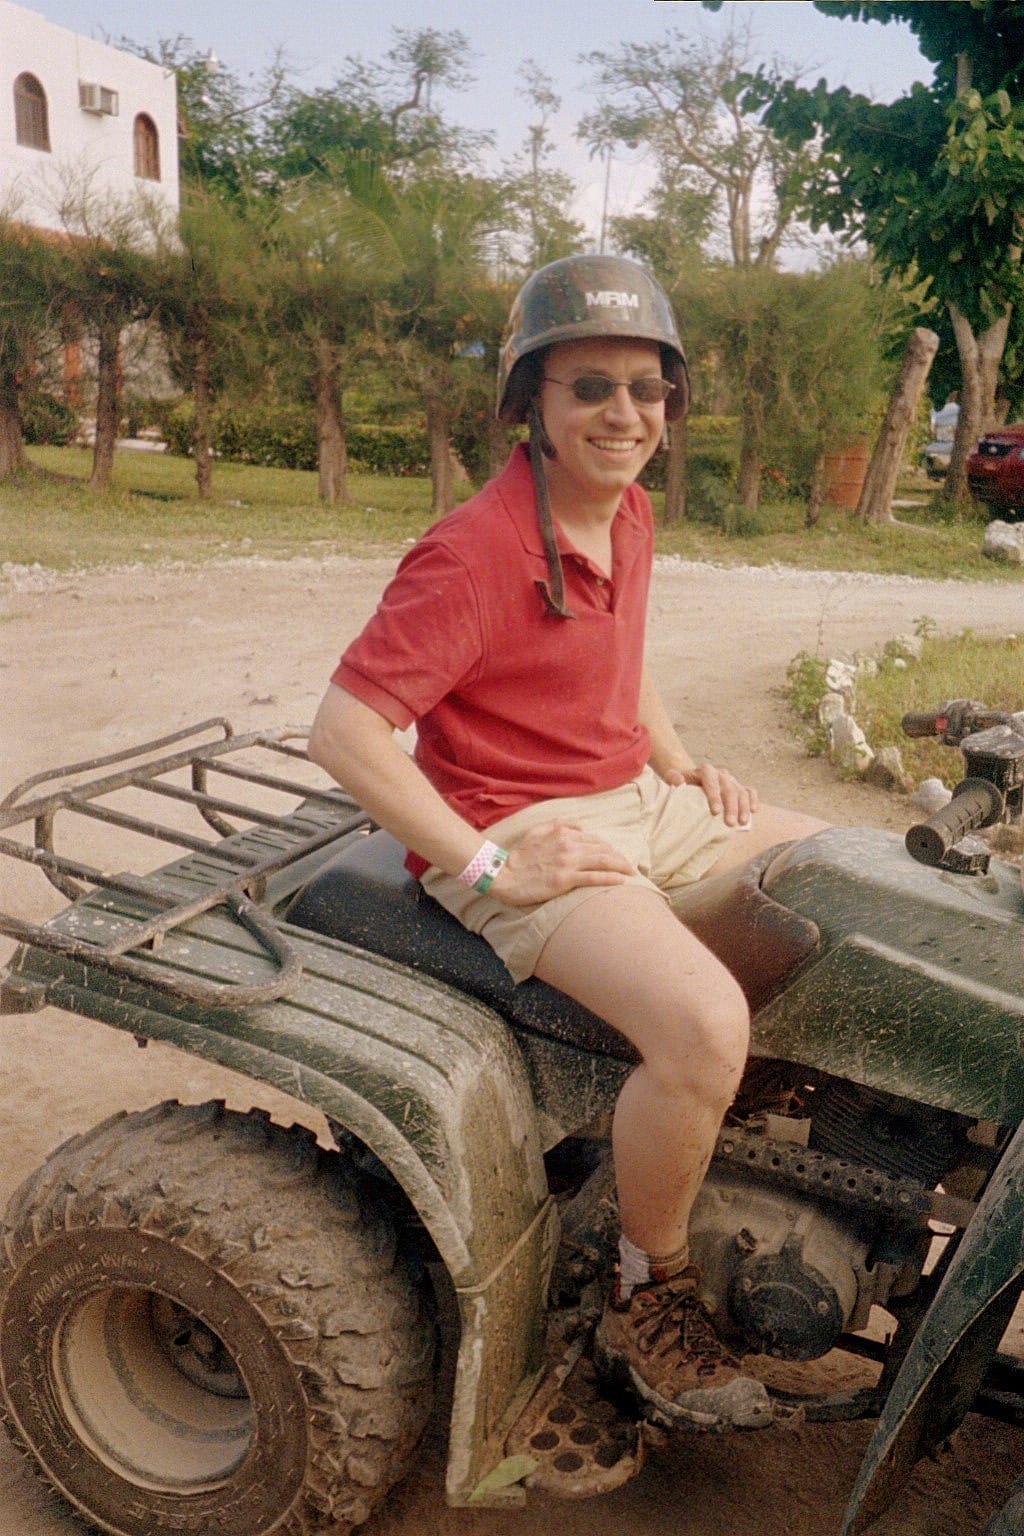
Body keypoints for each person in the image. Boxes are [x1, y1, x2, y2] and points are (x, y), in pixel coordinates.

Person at [308, 254, 827, 1432]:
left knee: (847, 878)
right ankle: (651, 1293)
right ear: (530, 404)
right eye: (589, 387)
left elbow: (620, 658)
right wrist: (485, 862)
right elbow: (345, 732)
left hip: (630, 798)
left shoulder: (627, 512)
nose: (623, 416)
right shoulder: (469, 554)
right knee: (702, 1023)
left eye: (646, 390)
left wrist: (682, 765)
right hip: (521, 822)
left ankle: (762, 1154)